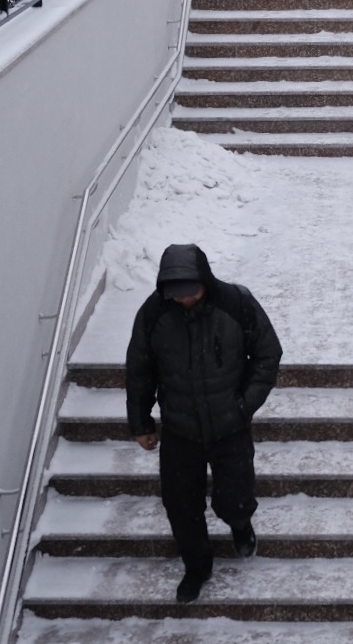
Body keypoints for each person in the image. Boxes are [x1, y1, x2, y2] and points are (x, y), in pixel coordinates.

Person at [126, 244, 283, 604]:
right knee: (180, 505)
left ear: (206, 280)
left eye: (189, 292)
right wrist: (140, 422)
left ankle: (240, 526)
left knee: (236, 497)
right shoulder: (154, 313)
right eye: (174, 293)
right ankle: (197, 567)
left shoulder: (236, 303)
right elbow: (139, 371)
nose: (182, 300)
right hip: (180, 430)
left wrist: (243, 406)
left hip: (230, 426)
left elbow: (267, 354)